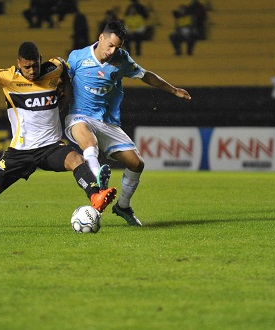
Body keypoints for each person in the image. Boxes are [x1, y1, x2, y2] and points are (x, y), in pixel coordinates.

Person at [0, 43, 117, 228]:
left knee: (76, 159)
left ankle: (96, 196)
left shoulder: (54, 67)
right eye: (26, 67)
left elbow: (64, 70)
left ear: (40, 60)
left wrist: (66, 89)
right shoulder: (9, 78)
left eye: (35, 65)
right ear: (18, 63)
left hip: (50, 147)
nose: (32, 70)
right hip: (20, 151)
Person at [64, 21, 191, 226]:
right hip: (79, 116)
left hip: (106, 121)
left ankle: (122, 206)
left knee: (136, 163)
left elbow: (146, 75)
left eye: (117, 47)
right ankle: (99, 186)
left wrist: (174, 90)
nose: (112, 51)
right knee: (89, 143)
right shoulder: (77, 57)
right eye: (110, 45)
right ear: (101, 38)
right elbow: (63, 84)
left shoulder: (122, 60)